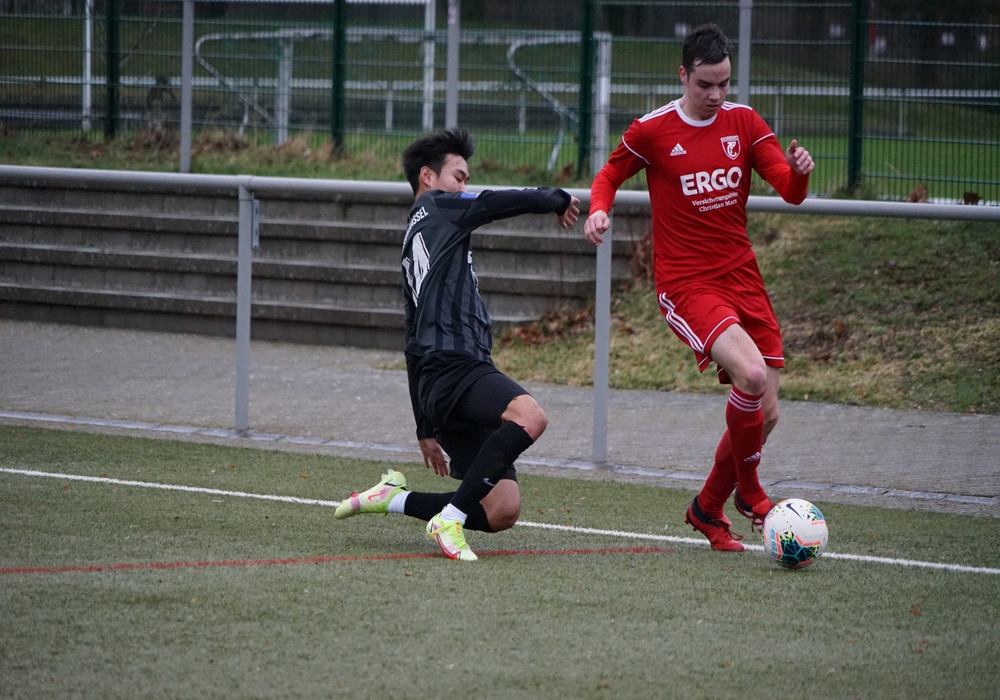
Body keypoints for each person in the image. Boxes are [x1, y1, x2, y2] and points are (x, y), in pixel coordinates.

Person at [583, 23, 814, 552]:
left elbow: (790, 191)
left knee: (767, 412)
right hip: (687, 283)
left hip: (743, 277)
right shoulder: (652, 131)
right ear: (683, 75)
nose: (715, 95)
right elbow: (609, 175)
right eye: (705, 84)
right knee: (750, 375)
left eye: (724, 84)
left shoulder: (745, 123)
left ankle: (707, 507)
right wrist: (598, 211)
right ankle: (750, 491)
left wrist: (799, 172)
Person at [334, 127, 580, 562]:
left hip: (441, 382)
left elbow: (411, 340)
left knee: (502, 510)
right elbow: (492, 204)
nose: (465, 188)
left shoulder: (415, 238)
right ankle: (448, 520)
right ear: (427, 177)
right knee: (531, 417)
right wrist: (553, 198)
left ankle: (393, 498)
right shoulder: (437, 206)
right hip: (456, 367)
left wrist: (424, 427)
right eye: (459, 177)